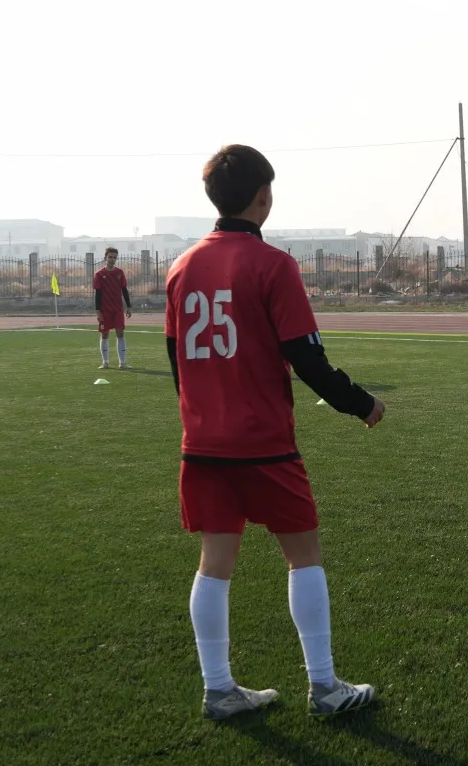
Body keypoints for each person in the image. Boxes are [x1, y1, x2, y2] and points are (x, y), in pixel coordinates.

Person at [165, 144, 385, 720]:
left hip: (202, 443)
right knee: (304, 555)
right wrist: (361, 403)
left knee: (215, 563)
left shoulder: (180, 267)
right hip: (262, 440)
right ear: (263, 197)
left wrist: (201, 414)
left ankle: (218, 689)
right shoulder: (273, 265)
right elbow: (307, 358)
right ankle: (325, 687)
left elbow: (176, 362)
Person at [94, 247, 132, 369]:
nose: (112, 259)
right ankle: (105, 362)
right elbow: (98, 294)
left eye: (114, 257)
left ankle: (122, 363)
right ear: (105, 257)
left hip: (117, 310)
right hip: (105, 310)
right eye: (110, 257)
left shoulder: (120, 273)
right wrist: (98, 311)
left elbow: (124, 290)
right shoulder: (99, 274)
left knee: (120, 333)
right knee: (104, 334)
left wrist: (128, 306)